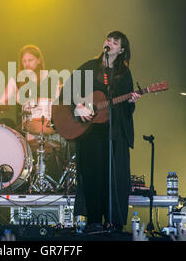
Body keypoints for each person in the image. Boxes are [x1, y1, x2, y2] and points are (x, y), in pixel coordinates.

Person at [66, 30, 141, 231]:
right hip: (90, 133)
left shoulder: (123, 74)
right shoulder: (90, 67)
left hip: (113, 134)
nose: (109, 43)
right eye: (108, 39)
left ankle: (113, 223)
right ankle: (93, 223)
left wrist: (131, 101)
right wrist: (78, 105)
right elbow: (67, 89)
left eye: (115, 42)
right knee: (92, 177)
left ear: (122, 50)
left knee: (113, 178)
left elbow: (125, 108)